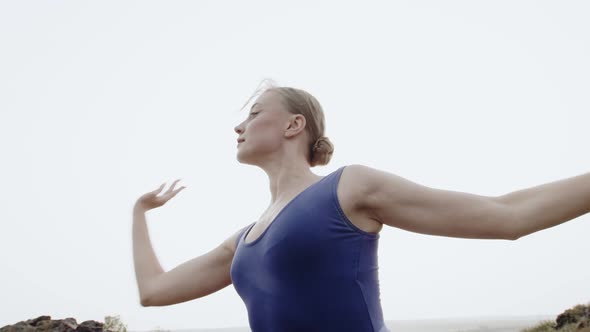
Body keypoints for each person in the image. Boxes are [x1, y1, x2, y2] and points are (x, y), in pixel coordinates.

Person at [132, 83, 590, 332]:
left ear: (295, 125)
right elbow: (154, 291)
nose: (239, 125)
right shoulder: (243, 242)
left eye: (254, 113)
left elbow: (507, 216)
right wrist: (139, 212)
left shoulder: (349, 188)